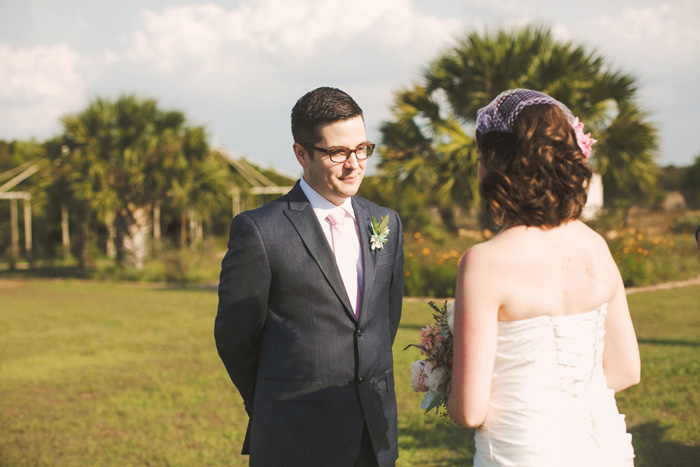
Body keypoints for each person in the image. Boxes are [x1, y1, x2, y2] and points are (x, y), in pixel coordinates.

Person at [447, 89, 641, 466]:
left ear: (495, 165)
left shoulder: (484, 263)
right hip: (602, 448)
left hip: (522, 451)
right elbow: (626, 369)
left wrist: (443, 378)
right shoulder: (595, 246)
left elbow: (469, 411)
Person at [215, 86, 404, 466]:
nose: (354, 164)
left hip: (374, 436)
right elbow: (235, 338)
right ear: (301, 153)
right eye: (337, 153)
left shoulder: (386, 222)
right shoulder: (260, 230)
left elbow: (385, 319)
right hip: (295, 435)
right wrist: (275, 401)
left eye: (362, 148)